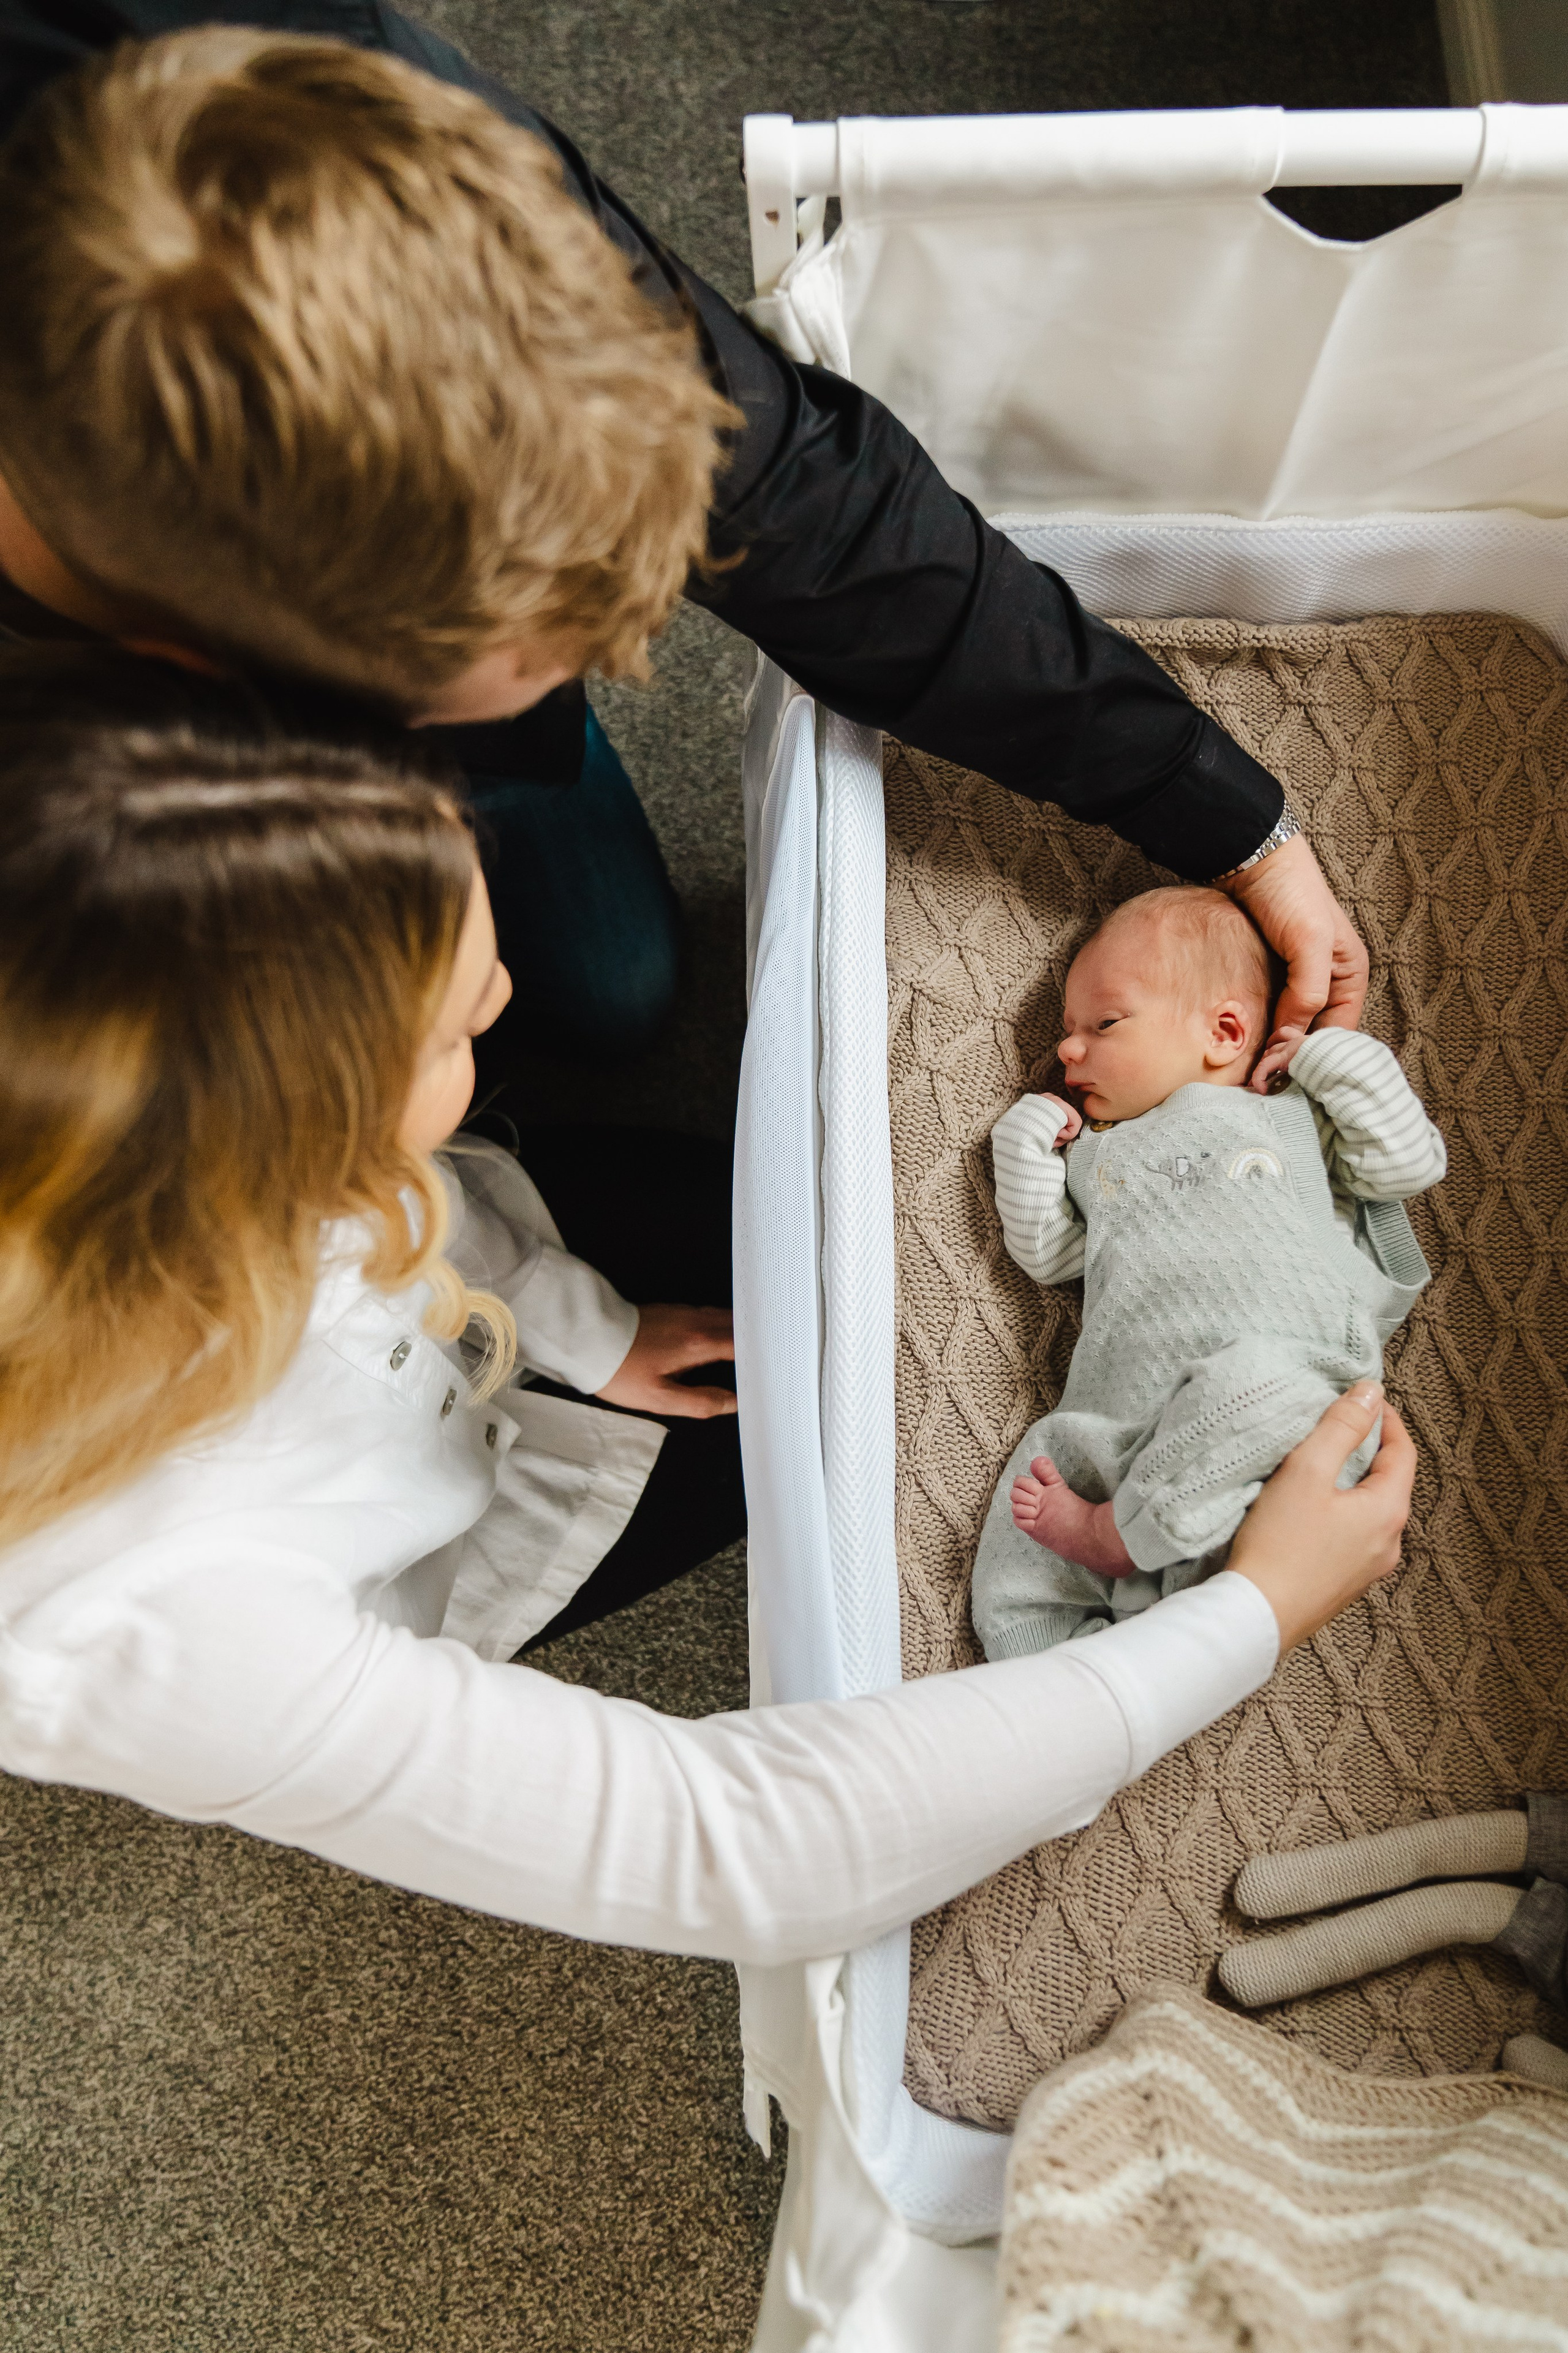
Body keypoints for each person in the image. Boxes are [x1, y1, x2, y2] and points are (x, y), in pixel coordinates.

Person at [0, 655, 1415, 1964]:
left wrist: (586, 1325)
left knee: (783, 1260)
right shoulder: (156, 1618)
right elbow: (739, 1844)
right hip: (436, 1519)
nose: (503, 994)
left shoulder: (189, 1136)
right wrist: (1249, 1608)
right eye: (448, 1032)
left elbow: (407, 1201)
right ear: (263, 1143)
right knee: (802, 1435)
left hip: (446, 1289)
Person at [0, 7, 1368, 1082]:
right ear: (217, 668)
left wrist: (1228, 819)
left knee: (612, 989)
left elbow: (834, 525)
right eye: (532, 663)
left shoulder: (459, 212)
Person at [974, 884, 1443, 1659]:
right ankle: (1047, 1673)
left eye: (1104, 1023)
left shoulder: (1291, 1117)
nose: (1067, 1049)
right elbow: (1053, 1255)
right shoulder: (1099, 1156)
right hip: (1128, 1424)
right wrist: (1022, 1148)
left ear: (1225, 1030)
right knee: (1035, 1494)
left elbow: (1407, 1163)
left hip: (1289, 1401)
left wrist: (1325, 1051)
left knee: (1255, 1384)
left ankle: (1121, 1536)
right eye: (1067, 1030)